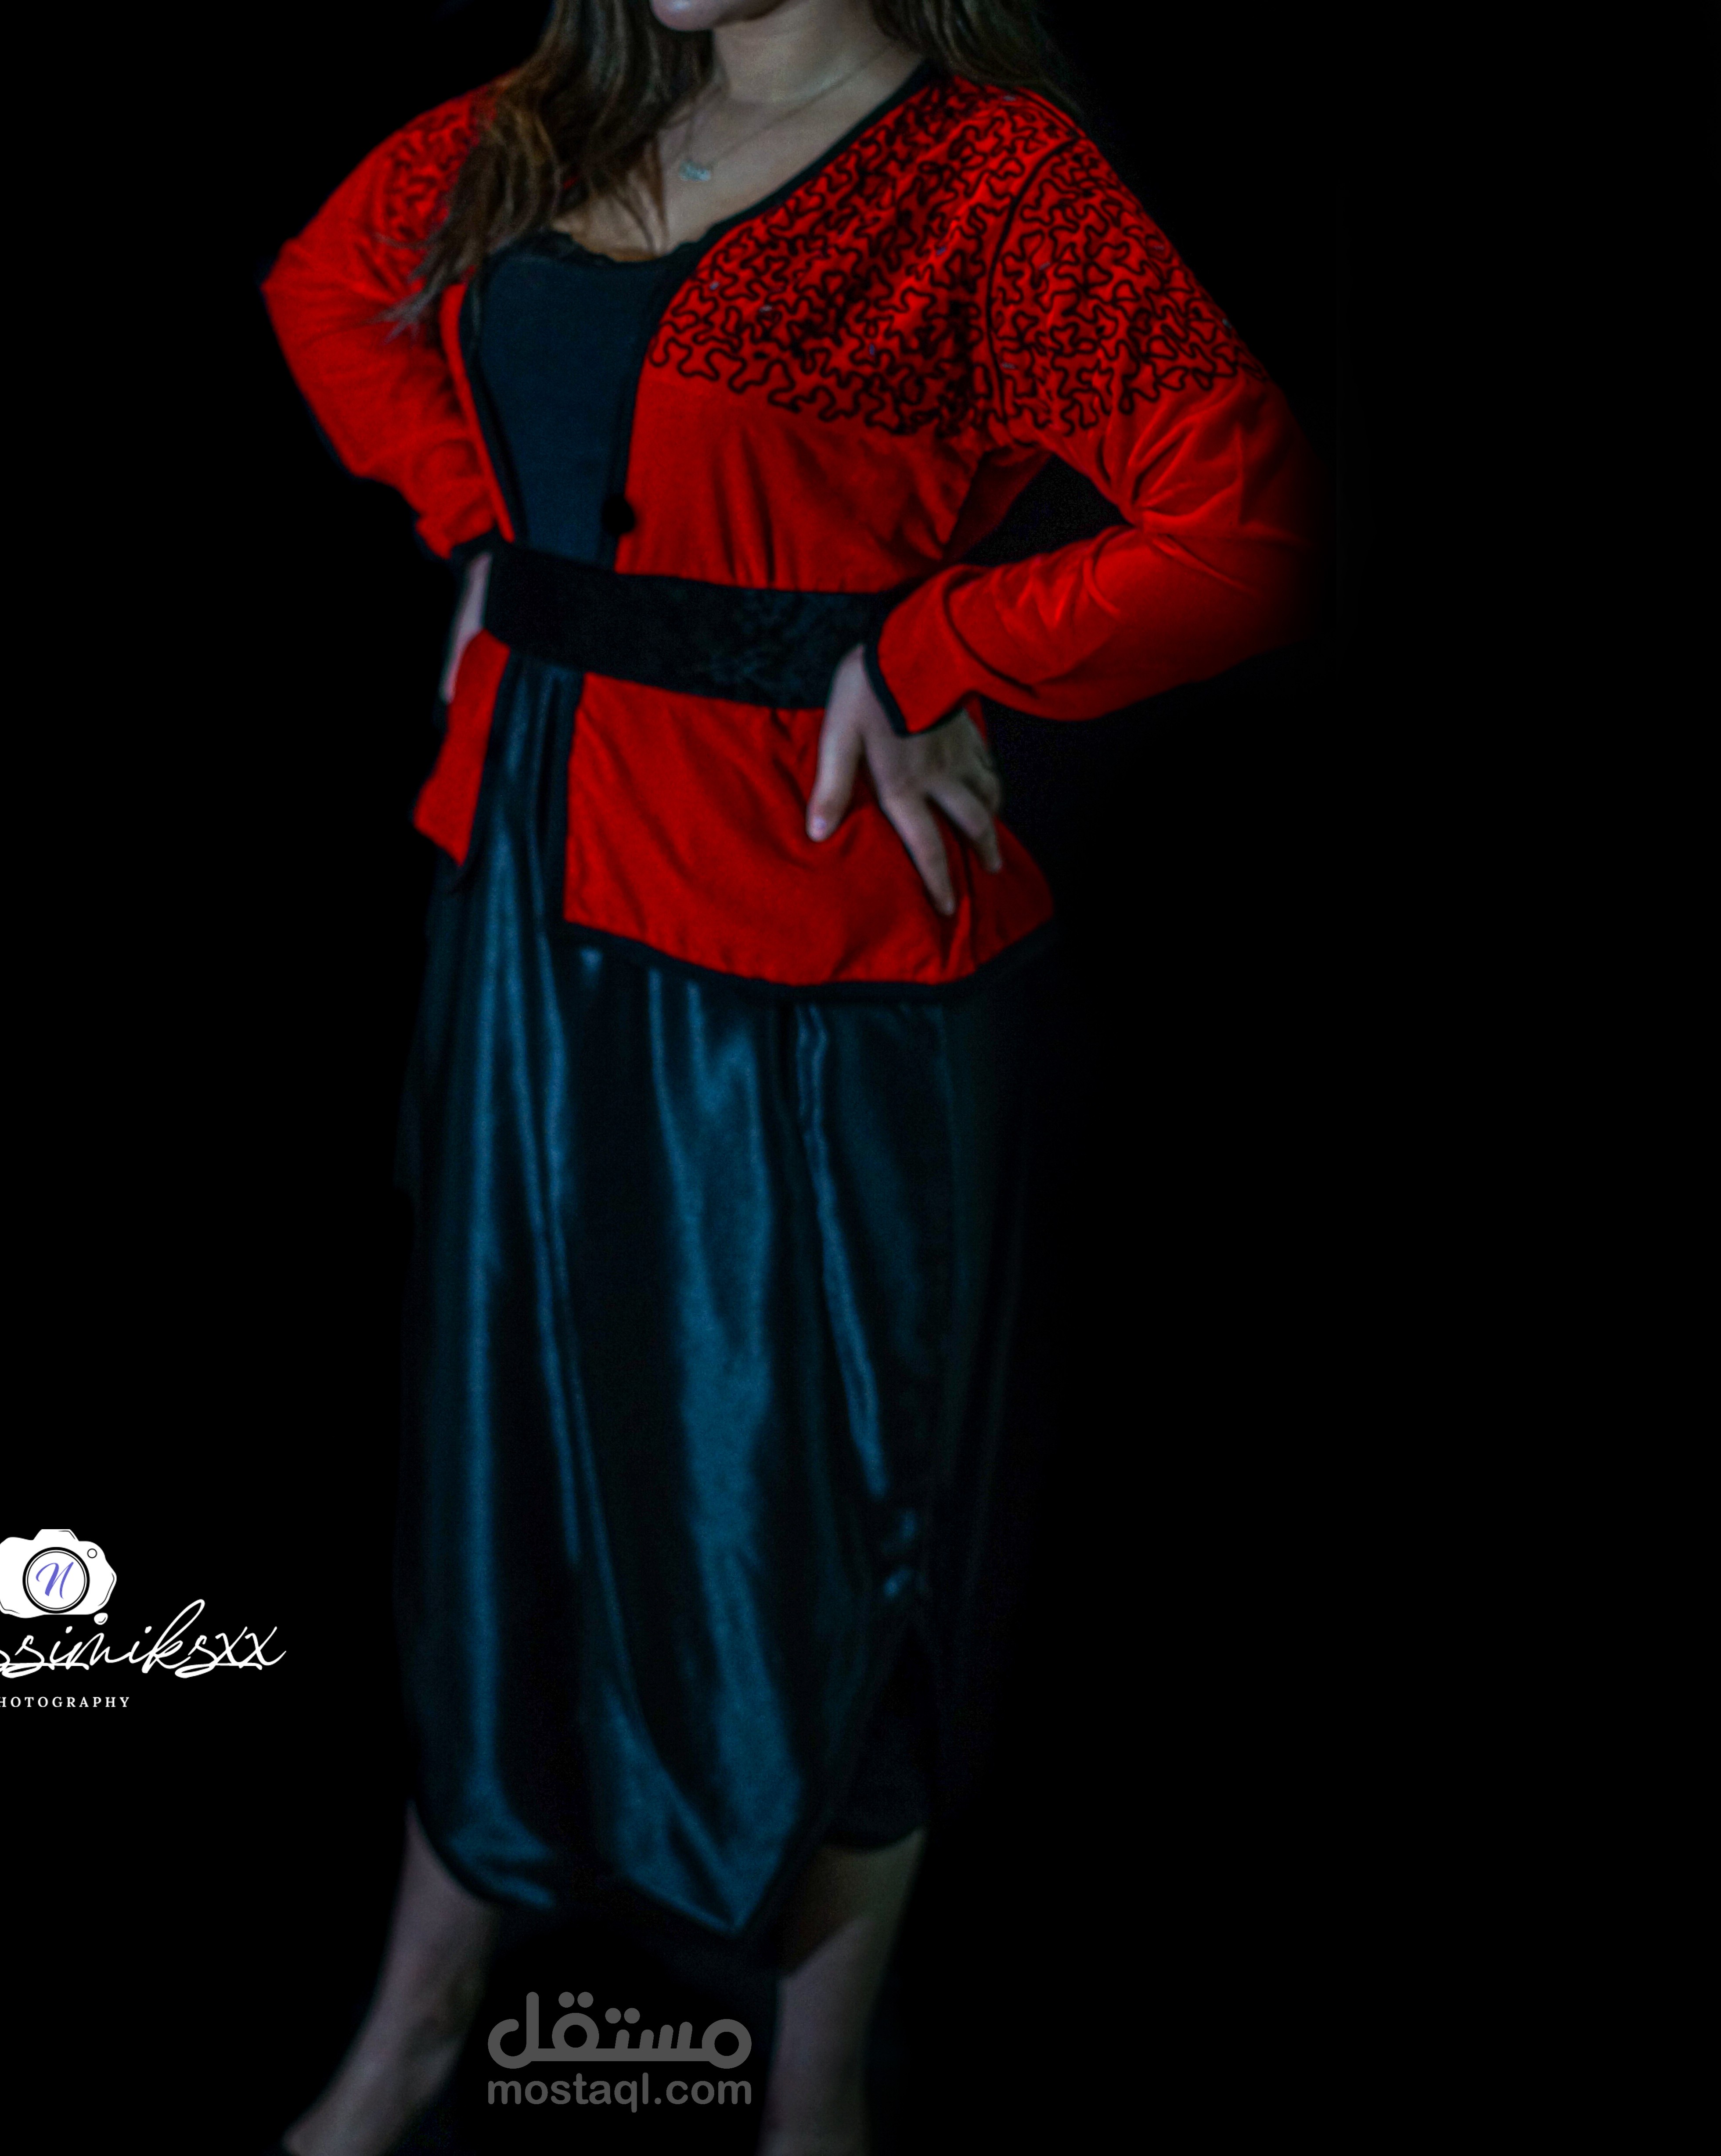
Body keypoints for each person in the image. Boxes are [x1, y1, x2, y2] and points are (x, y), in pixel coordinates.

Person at [260, 2, 1320, 2149]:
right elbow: (325, 292)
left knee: (825, 1522)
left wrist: (935, 652)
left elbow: (1249, 530)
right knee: (505, 1462)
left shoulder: (990, 185)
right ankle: (419, 2015)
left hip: (806, 944)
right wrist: (483, 526)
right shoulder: (551, 116)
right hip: (527, 893)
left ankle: (813, 2082)